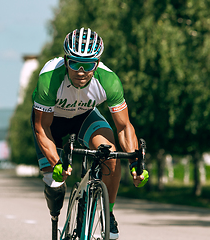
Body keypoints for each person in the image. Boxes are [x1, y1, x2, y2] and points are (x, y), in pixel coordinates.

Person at [31, 27, 148, 239]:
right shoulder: (49, 79)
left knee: (110, 155)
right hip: (51, 123)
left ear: (97, 63)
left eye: (89, 64)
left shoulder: (109, 80)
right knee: (55, 183)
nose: (81, 71)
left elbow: (123, 126)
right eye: (75, 63)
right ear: (66, 60)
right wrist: (58, 162)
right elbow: (41, 128)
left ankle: (108, 213)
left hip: (84, 117)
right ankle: (56, 218)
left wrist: (134, 162)